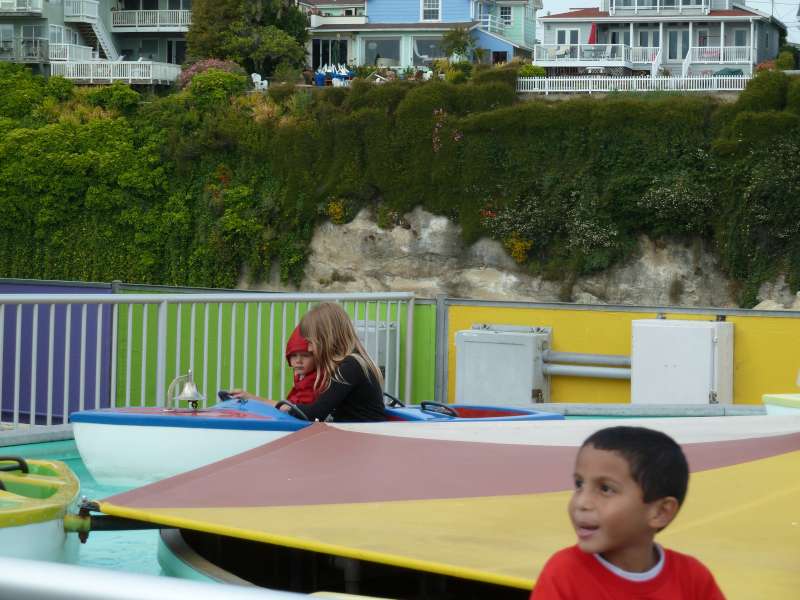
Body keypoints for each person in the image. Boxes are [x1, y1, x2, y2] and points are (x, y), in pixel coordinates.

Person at [530, 426, 725, 600]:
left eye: (605, 489)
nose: (581, 502)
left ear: (660, 512)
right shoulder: (563, 574)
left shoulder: (693, 578)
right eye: (579, 484)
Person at [234, 302, 386, 423]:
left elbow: (314, 414)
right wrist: (258, 401)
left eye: (311, 342)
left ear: (326, 339)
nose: (309, 348)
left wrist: (284, 407)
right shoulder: (354, 363)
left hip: (361, 440)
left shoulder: (350, 366)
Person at [284, 325, 319, 406]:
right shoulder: (301, 375)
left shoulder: (315, 379)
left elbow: (303, 403)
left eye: (305, 355)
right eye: (293, 355)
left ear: (316, 358)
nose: (298, 361)